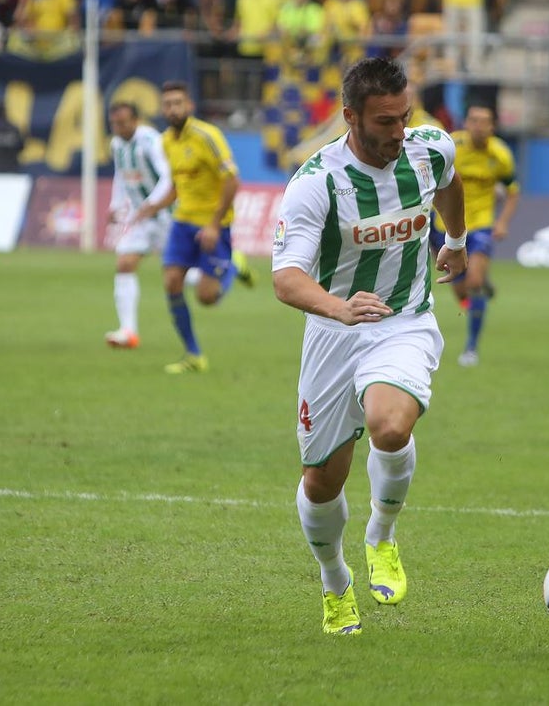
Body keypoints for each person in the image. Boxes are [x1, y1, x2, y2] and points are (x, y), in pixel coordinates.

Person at [271, 57, 468, 635]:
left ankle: (381, 536)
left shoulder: (428, 148)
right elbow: (287, 277)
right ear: (350, 116)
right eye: (385, 121)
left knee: (389, 426)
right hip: (335, 332)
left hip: (405, 318)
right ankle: (336, 582)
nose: (398, 132)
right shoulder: (316, 183)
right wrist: (340, 307)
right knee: (322, 480)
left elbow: (451, 182)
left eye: (404, 116)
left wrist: (455, 239)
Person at [135, 81, 255, 374]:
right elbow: (179, 185)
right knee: (171, 283)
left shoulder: (207, 136)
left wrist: (214, 225)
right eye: (167, 104)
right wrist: (154, 206)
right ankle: (193, 355)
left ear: (189, 105)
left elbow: (232, 180)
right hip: (182, 223)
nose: (172, 109)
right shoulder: (165, 141)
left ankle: (233, 266)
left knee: (206, 298)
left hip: (213, 226)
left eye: (178, 103)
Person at [430, 104, 519, 367]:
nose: (478, 126)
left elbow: (513, 190)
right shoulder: (452, 148)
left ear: (492, 127)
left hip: (480, 225)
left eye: (484, 121)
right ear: (466, 123)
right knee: (460, 291)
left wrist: (502, 222)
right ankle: (479, 297)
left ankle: (471, 347)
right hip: (444, 225)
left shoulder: (501, 155)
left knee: (473, 282)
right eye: (473, 120)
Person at [103, 101, 172, 350]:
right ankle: (128, 331)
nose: (119, 128)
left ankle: (227, 266)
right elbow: (121, 175)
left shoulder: (151, 142)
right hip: (141, 219)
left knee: (184, 276)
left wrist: (152, 204)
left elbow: (168, 176)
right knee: (124, 263)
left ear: (136, 121)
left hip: (168, 217)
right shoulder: (116, 144)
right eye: (114, 124)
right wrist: (115, 205)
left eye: (123, 123)